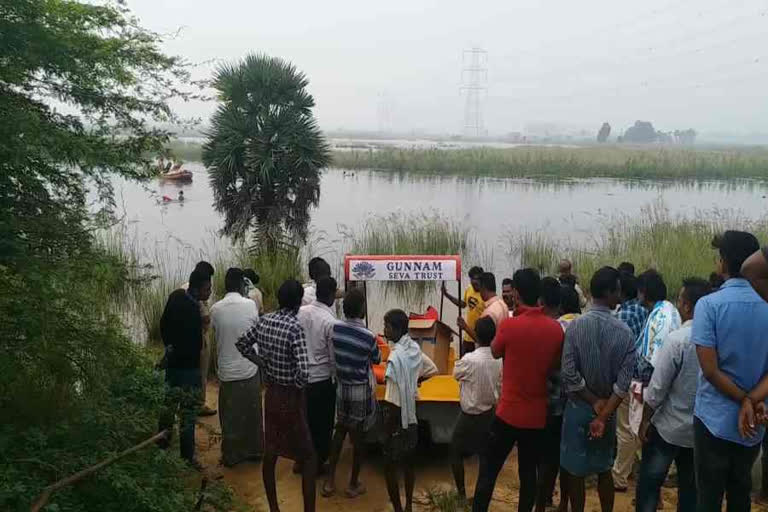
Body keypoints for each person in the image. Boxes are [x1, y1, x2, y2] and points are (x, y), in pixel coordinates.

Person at [473, 268, 564, 512]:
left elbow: (493, 351)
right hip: (536, 417)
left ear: (516, 293)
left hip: (507, 413)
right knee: (528, 476)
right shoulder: (556, 330)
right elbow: (555, 364)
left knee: (488, 472)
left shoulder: (510, 327)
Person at [693, 231, 768, 512]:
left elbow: (710, 371)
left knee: (708, 496)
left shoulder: (709, 305)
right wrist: (751, 400)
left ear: (723, 263)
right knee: (741, 491)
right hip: (755, 420)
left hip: (714, 418)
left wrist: (742, 400)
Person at [560, 266, 636, 512]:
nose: (620, 296)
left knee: (575, 471)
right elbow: (623, 384)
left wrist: (592, 402)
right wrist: (603, 413)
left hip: (578, 407)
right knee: (604, 468)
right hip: (608, 409)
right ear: (609, 292)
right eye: (618, 291)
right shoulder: (624, 333)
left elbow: (569, 374)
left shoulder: (575, 328)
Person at [236, 280, 316, 512]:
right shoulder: (295, 327)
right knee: (309, 457)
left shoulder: (265, 320)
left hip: (272, 395)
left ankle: (273, 508)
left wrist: (262, 364)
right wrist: (299, 387)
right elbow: (303, 371)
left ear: (280, 299)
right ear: (299, 302)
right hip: (291, 396)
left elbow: (242, 344)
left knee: (271, 451)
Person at [635, 277, 711, 512]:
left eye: (680, 299)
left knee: (649, 484)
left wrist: (645, 419)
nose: (677, 304)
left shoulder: (677, 340)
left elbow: (657, 390)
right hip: (699, 429)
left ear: (687, 306)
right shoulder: (715, 339)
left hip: (668, 427)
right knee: (690, 490)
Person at [323, 289, 381, 498]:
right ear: (361, 310)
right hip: (359, 389)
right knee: (359, 438)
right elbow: (377, 359)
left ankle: (329, 482)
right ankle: (353, 483)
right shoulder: (368, 336)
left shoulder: (334, 328)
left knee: (340, 431)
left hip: (341, 387)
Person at [382, 309, 438, 512]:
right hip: (411, 416)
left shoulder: (395, 358)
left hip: (396, 416)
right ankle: (408, 506)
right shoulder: (413, 348)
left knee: (389, 466)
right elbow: (432, 369)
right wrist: (414, 383)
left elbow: (392, 397)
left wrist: (387, 427)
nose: (384, 329)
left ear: (396, 329)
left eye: (386, 326)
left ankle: (397, 508)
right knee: (408, 462)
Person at [158, 269, 212, 469]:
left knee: (169, 405)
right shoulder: (193, 310)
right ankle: (187, 456)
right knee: (188, 413)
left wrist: (168, 347)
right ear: (197, 289)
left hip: (172, 365)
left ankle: (162, 443)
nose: (210, 292)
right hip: (189, 368)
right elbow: (197, 344)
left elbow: (163, 324)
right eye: (207, 288)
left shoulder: (175, 296)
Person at [210, 268, 261, 467]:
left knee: (230, 417)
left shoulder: (215, 309)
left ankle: (231, 455)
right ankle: (255, 451)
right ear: (241, 285)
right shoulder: (250, 305)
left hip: (227, 371)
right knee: (252, 413)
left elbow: (214, 331)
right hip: (250, 368)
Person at [537, 284, 581, 512]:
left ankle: (543, 502)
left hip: (553, 402)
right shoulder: (584, 325)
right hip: (578, 403)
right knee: (568, 460)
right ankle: (564, 502)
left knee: (548, 458)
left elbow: (547, 365)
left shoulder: (555, 327)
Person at [451, 317, 502, 500]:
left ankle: (461, 494)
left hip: (469, 414)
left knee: (455, 451)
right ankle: (481, 495)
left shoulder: (470, 359)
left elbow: (455, 374)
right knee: (485, 456)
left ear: (476, 336)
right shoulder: (499, 359)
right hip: (489, 413)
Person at [297, 276, 339, 473]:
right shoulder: (330, 321)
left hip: (300, 377)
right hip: (321, 380)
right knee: (322, 426)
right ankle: (318, 464)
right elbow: (333, 358)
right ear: (331, 295)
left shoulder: (300, 312)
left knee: (303, 421)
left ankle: (300, 460)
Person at [612, 272, 648, 491]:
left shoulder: (622, 316)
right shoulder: (645, 311)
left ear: (621, 291)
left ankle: (619, 478)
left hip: (628, 378)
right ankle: (634, 469)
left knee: (625, 429)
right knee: (637, 425)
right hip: (643, 377)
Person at [181, 260, 217, 417]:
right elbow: (205, 319)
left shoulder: (185, 287)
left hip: (187, 338)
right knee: (200, 373)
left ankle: (186, 402)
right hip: (199, 338)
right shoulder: (198, 293)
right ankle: (198, 405)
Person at [442, 266, 485, 354]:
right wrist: (447, 295)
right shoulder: (469, 289)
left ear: (481, 280)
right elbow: (463, 304)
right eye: (471, 280)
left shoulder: (485, 294)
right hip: (467, 335)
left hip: (478, 338)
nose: (473, 283)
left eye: (476, 281)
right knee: (463, 362)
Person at [458, 272, 507, 341]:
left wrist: (465, 327)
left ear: (483, 288)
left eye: (479, 287)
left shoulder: (488, 312)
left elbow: (481, 340)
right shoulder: (503, 305)